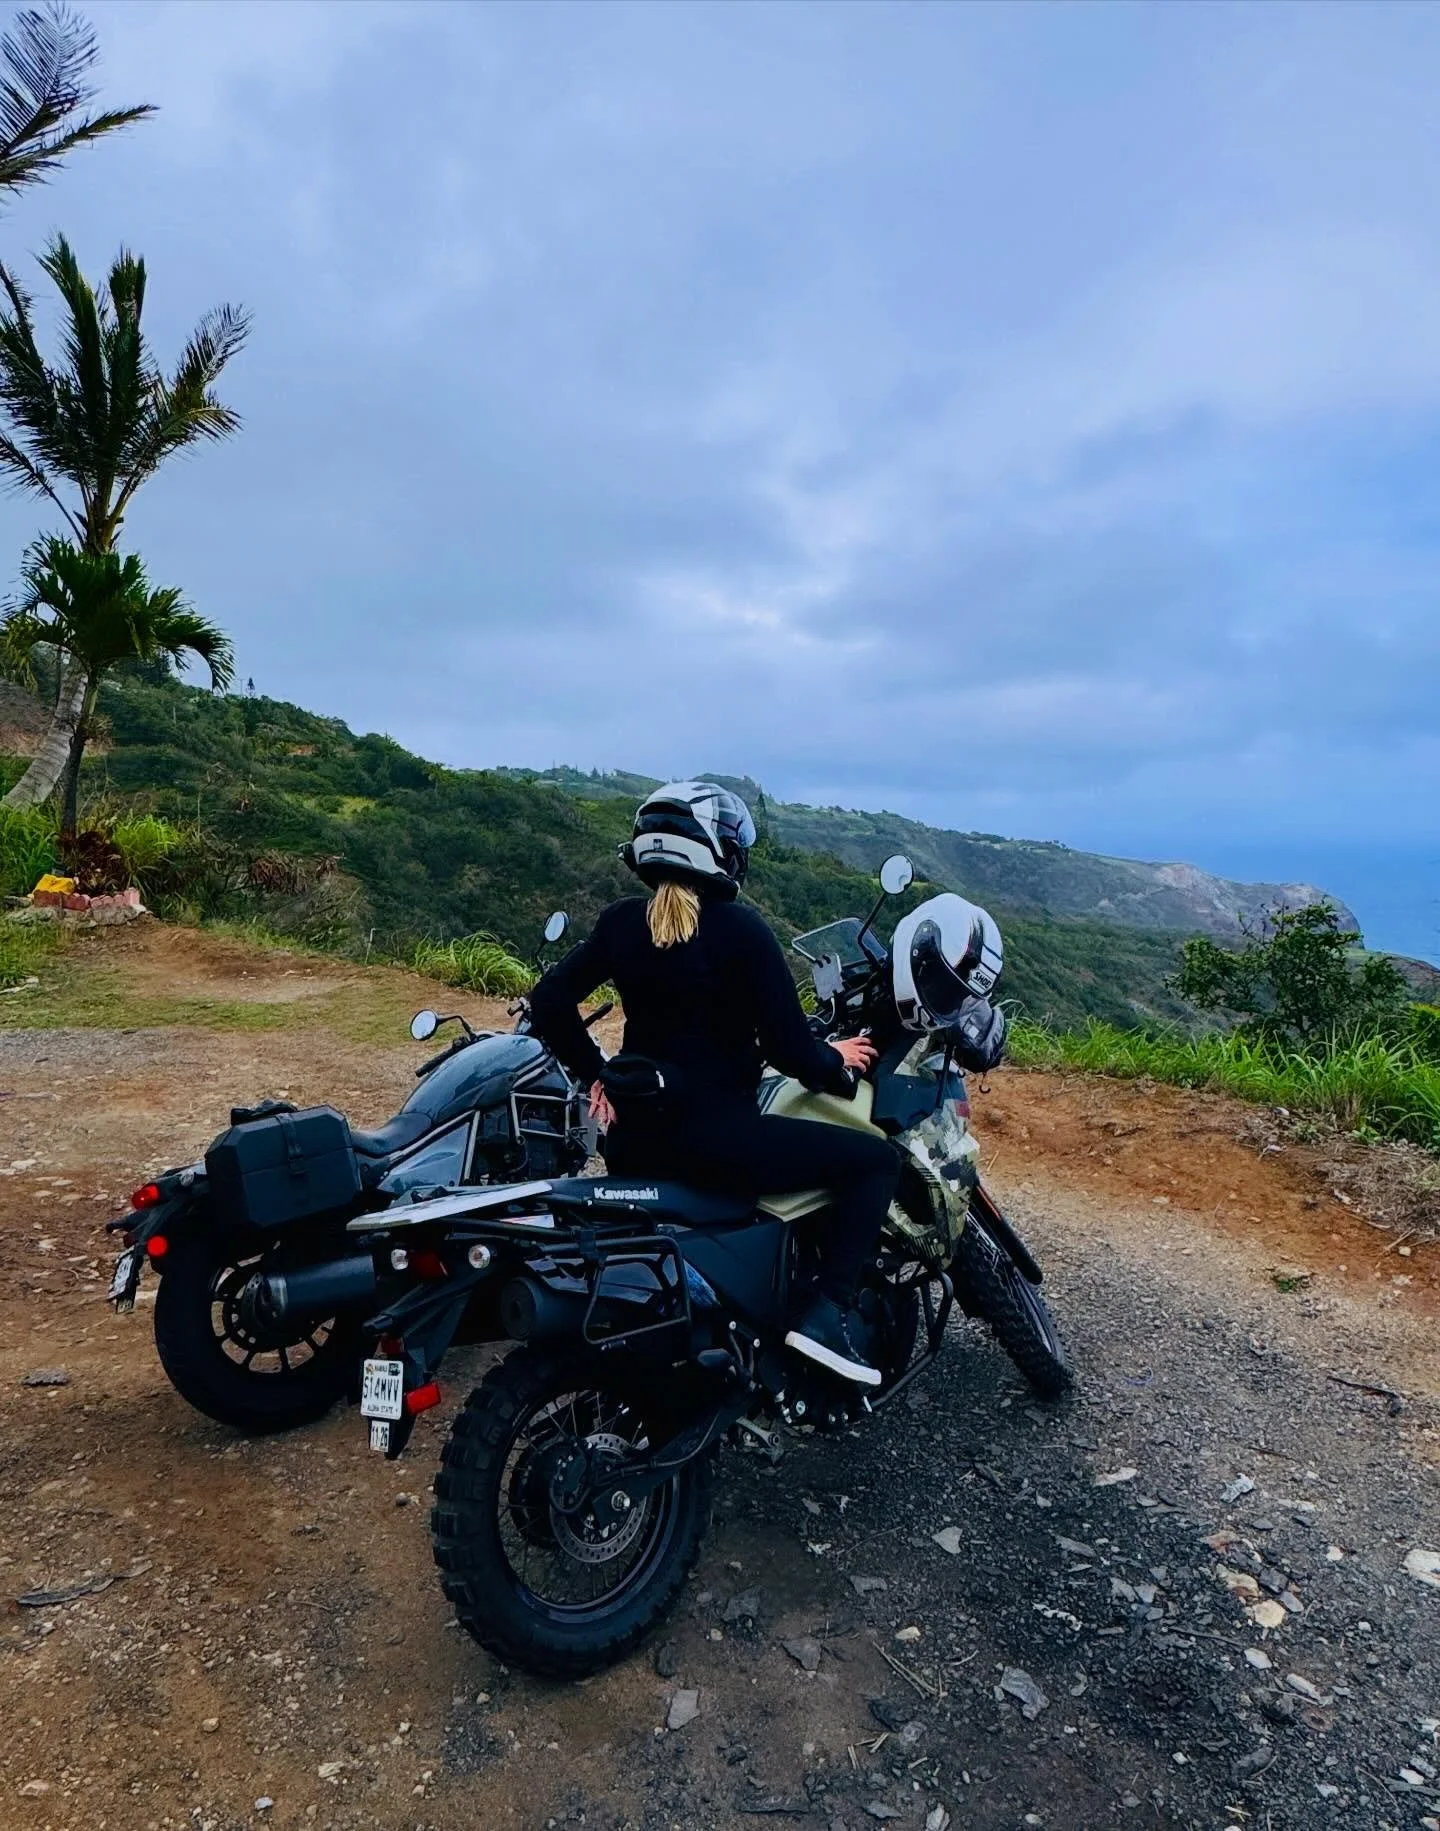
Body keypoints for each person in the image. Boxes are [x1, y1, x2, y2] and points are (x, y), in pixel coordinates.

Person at [526, 780, 901, 1386]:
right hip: (715, 1146)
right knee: (875, 1162)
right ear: (719, 851)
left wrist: (594, 1074)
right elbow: (789, 1050)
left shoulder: (622, 923)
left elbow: (549, 999)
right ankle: (828, 1314)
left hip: (631, 1144)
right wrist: (836, 1063)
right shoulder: (739, 931)